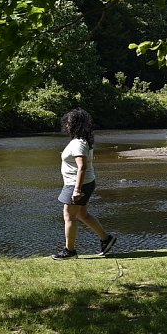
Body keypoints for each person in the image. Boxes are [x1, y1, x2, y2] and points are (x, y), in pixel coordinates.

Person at [51, 107, 116, 260]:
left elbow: (82, 166)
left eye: (69, 123)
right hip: (83, 183)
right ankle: (106, 239)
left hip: (76, 184)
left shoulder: (78, 143)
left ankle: (70, 251)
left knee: (69, 216)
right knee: (81, 214)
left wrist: (76, 190)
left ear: (76, 125)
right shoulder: (80, 141)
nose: (66, 125)